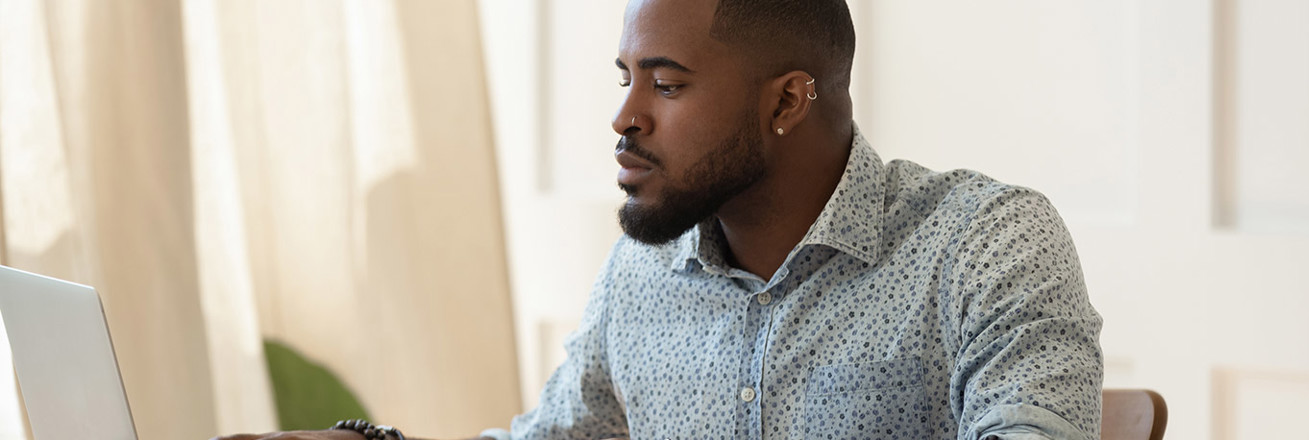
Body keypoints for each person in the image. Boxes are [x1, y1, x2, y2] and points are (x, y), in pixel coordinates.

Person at [216, 0, 1103, 439]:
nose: (624, 117)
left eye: (667, 85)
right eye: (625, 78)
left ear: (787, 100)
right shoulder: (647, 269)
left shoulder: (986, 243)